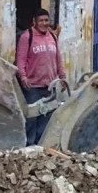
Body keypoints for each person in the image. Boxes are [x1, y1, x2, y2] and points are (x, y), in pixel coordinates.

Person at [15, 9, 67, 145]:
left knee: (46, 116)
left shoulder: (53, 37)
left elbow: (58, 58)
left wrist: (62, 77)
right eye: (41, 21)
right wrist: (23, 77)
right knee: (32, 117)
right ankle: (29, 145)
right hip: (32, 86)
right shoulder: (27, 37)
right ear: (35, 22)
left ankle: (41, 145)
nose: (44, 23)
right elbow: (20, 59)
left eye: (46, 20)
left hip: (50, 85)